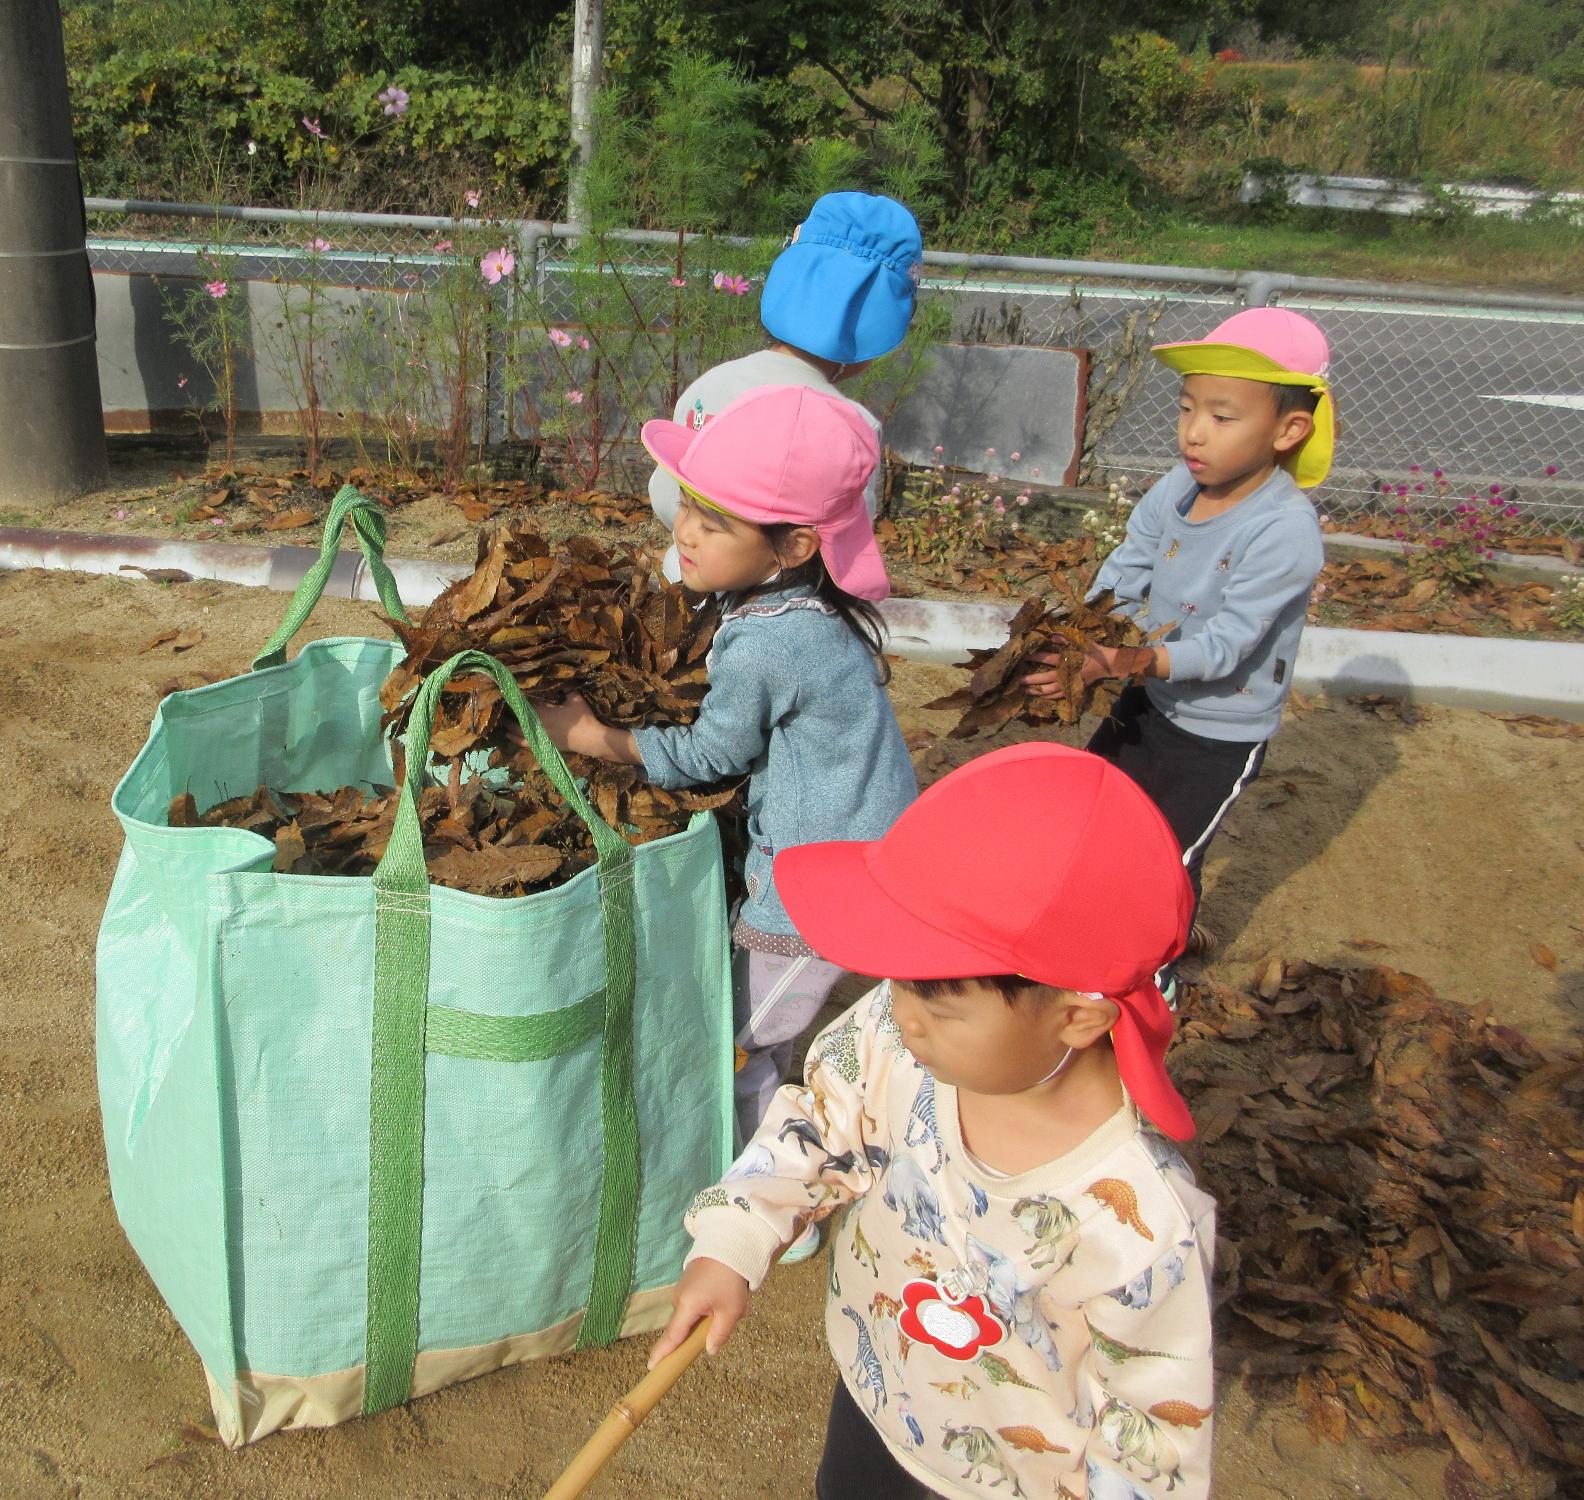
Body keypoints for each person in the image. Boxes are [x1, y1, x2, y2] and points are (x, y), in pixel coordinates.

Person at [650, 743, 1216, 1500]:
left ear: (1079, 1017)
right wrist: (733, 1240)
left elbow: (1149, 1438)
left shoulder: (1141, 1226)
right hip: (877, 1394)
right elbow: (821, 1123)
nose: (899, 1013)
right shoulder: (898, 1034)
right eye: (898, 982)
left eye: (937, 1003)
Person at [536, 383, 918, 1263]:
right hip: (855, 846)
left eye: (716, 522)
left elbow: (711, 755)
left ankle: (766, 1202)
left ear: (792, 546)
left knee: (747, 1042)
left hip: (818, 890)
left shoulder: (770, 641)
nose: (687, 532)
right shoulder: (800, 613)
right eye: (690, 508)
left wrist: (593, 734)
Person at [1027, 307, 1332, 984]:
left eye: (1223, 417)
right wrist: (1088, 642)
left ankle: (1150, 982)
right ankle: (1089, 940)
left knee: (1165, 861)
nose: (1194, 432)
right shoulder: (1178, 487)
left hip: (1218, 732)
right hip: (1147, 699)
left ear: (1288, 430)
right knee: (1104, 826)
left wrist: (1124, 660)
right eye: (1188, 408)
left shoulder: (1284, 531)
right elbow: (1127, 569)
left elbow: (1225, 646)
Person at [646, 191, 924, 581]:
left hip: (684, 580)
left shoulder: (711, 385)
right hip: (778, 606)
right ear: (870, 334)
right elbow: (844, 547)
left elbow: (665, 496)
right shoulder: (849, 429)